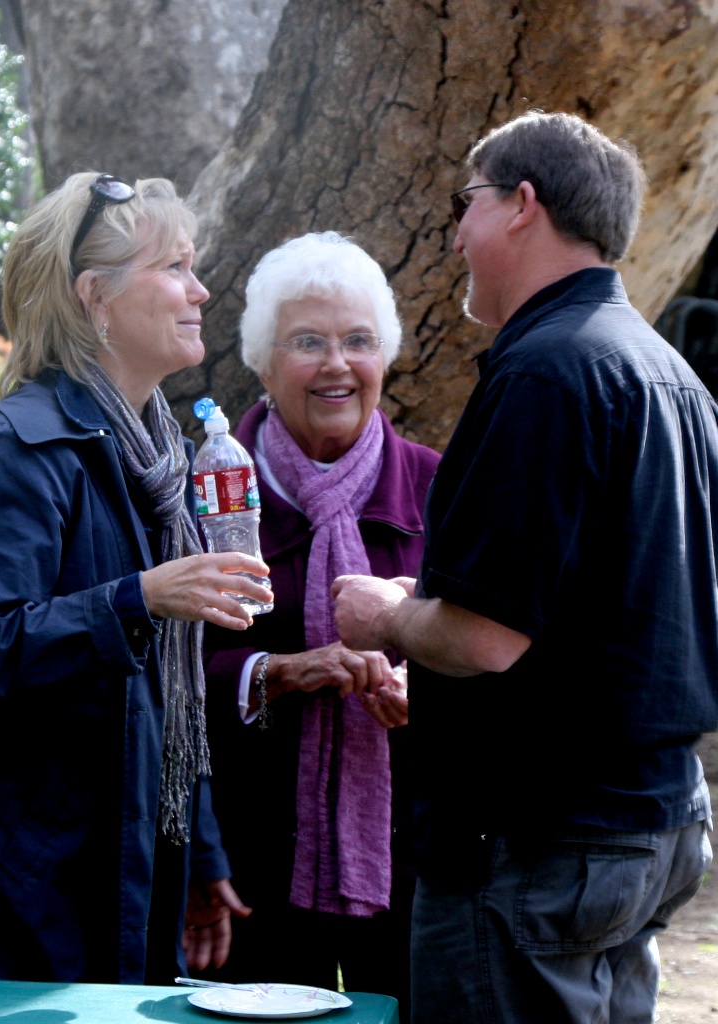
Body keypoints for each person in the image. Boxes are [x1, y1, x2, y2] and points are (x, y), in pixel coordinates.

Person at [332, 111, 718, 1024]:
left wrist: (387, 615)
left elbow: (484, 637)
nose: (453, 235)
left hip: (540, 843)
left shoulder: (544, 373)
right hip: (650, 824)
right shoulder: (671, 375)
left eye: (464, 204)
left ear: (520, 205)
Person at [0, 172, 272, 984]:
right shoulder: (10, 456)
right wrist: (139, 598)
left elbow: (166, 699)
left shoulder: (162, 463)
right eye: (175, 268)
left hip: (131, 873)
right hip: (17, 907)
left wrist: (200, 852)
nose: (201, 290)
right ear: (95, 298)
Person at [195, 232, 439, 1021]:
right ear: (262, 364)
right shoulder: (205, 492)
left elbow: (493, 657)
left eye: (358, 341)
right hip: (248, 865)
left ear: (385, 357)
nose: (337, 365)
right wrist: (284, 672)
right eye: (307, 342)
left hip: (411, 866)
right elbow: (164, 673)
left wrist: (424, 687)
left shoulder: (437, 487)